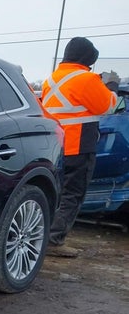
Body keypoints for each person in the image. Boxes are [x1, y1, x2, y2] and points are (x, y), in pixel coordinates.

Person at [41, 37, 118, 257]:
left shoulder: (51, 79)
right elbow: (108, 106)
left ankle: (42, 236)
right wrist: (111, 86)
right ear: (87, 57)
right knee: (73, 194)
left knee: (54, 193)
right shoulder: (87, 78)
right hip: (79, 144)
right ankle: (54, 240)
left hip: (55, 145)